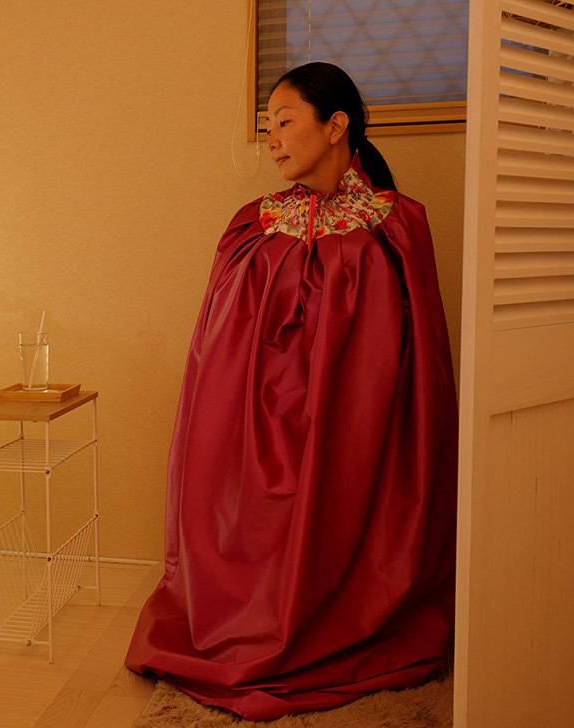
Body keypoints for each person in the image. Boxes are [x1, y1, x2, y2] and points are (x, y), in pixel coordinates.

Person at [124, 62, 458, 720]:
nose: (271, 138)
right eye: (266, 125)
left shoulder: (394, 225)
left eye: (284, 121)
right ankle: (250, 620)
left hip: (358, 419)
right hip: (254, 414)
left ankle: (338, 618)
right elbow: (215, 341)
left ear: (335, 127)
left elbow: (423, 357)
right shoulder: (253, 224)